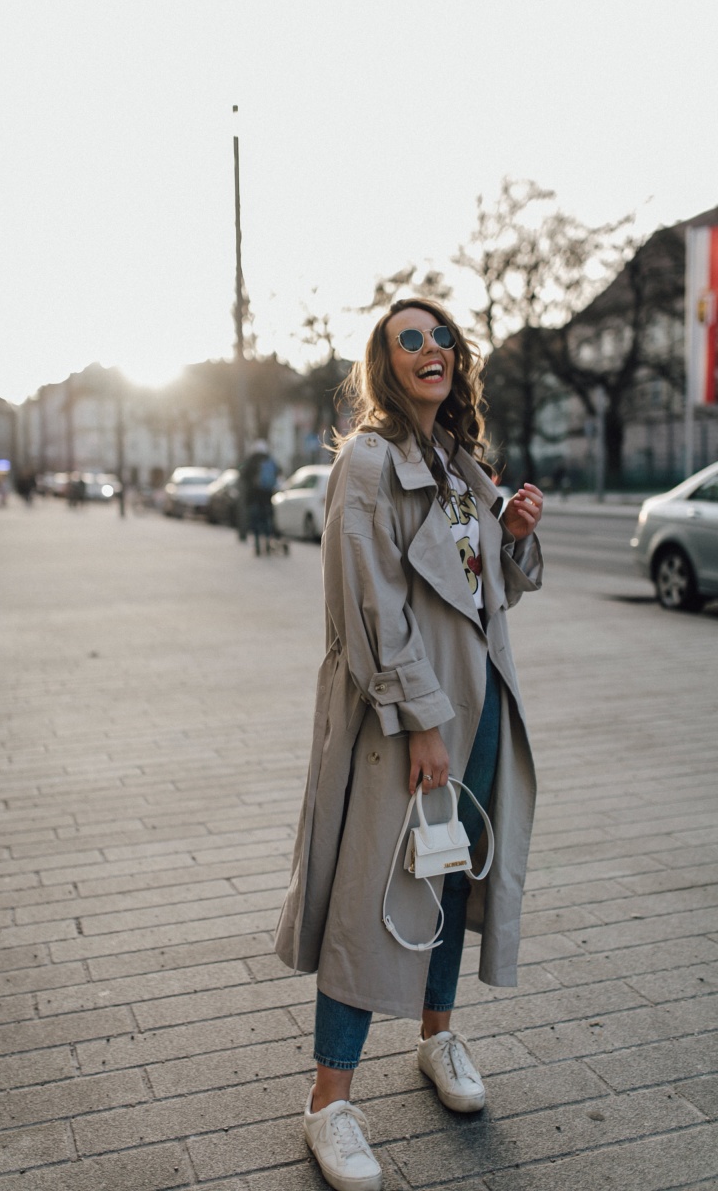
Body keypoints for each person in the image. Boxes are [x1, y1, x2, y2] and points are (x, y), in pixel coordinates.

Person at [274, 298, 543, 1191]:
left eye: (443, 337)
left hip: (481, 702)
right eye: (410, 339)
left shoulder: (457, 462)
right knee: (373, 891)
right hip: (406, 714)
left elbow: (481, 590)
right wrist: (422, 717)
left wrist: (510, 538)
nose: (432, 349)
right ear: (385, 365)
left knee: (452, 873)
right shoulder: (368, 461)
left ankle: (437, 1036)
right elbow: (370, 605)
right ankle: (329, 1101)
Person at [238, 439, 279, 555]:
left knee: (255, 522)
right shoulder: (269, 460)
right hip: (267, 497)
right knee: (267, 521)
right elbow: (278, 472)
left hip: (254, 498)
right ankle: (267, 544)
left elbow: (242, 475)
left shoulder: (251, 461)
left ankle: (257, 546)